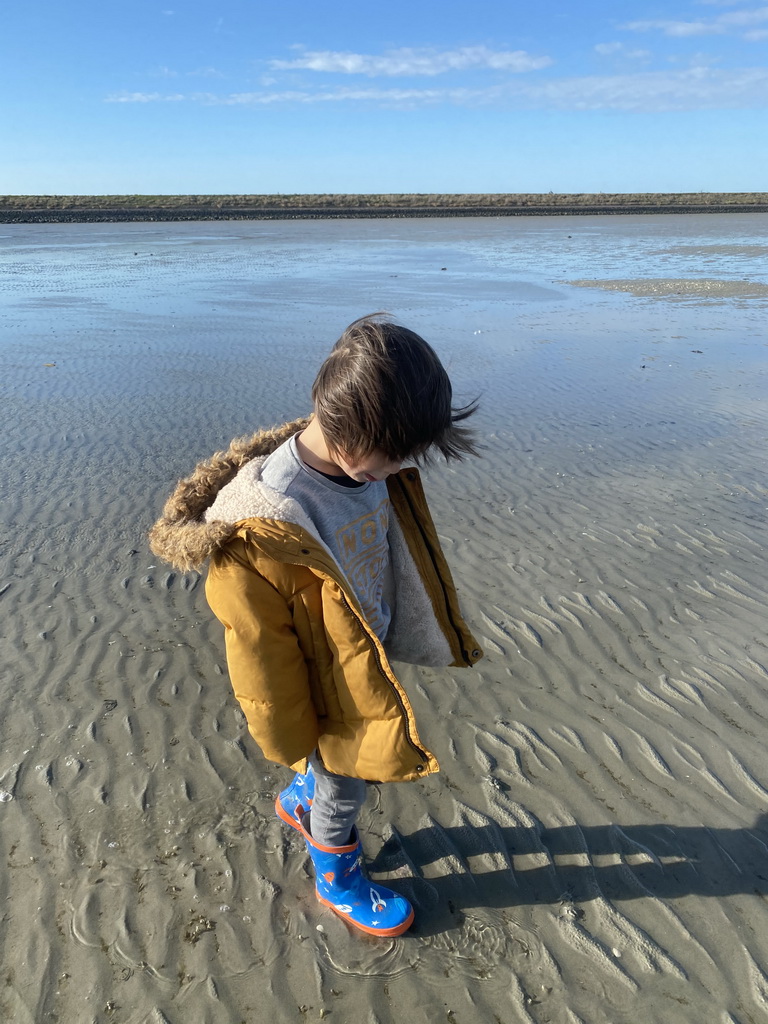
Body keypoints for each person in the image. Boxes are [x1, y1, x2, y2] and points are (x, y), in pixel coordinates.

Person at [149, 314, 483, 937]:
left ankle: (302, 799)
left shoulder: (362, 463)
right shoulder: (266, 522)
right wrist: (287, 729)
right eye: (391, 459)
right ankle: (338, 876)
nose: (397, 470)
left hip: (357, 646)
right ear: (349, 433)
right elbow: (257, 648)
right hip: (320, 677)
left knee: (334, 776)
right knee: (346, 785)